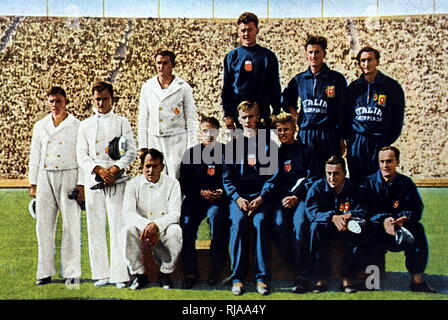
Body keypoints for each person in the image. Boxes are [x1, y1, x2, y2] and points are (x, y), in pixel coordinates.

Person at [77, 81, 136, 289]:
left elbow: (131, 151)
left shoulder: (122, 122)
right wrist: (99, 171)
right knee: (95, 226)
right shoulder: (85, 125)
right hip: (94, 178)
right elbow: (81, 154)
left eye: (104, 99)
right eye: (97, 99)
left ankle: (119, 274)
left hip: (116, 178)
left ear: (113, 99)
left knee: (118, 225)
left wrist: (115, 168)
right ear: (93, 100)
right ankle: (100, 273)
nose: (101, 103)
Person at [360, 146, 436, 293]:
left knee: (418, 229)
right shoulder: (368, 183)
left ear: (397, 162)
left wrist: (405, 218)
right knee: (366, 230)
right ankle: (371, 281)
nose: (385, 165)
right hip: (379, 230)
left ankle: (417, 281)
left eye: (389, 161)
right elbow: (364, 211)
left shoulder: (406, 183)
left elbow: (417, 209)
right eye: (381, 161)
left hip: (402, 229)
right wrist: (383, 220)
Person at [28, 86, 83, 286]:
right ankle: (44, 271)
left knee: (71, 224)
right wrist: (33, 182)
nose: (55, 105)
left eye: (58, 101)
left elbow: (82, 156)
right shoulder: (40, 125)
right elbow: (35, 154)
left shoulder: (77, 125)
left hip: (69, 174)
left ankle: (72, 271)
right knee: (43, 225)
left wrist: (81, 184)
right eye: (51, 101)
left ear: (66, 102)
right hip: (45, 176)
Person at [222, 101, 278, 296]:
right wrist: (237, 198)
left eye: (252, 116)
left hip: (260, 199)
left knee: (261, 222)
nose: (248, 121)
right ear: (238, 120)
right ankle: (237, 278)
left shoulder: (268, 145)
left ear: (258, 118)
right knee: (237, 223)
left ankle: (261, 278)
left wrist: (261, 198)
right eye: (244, 117)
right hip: (239, 199)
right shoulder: (231, 146)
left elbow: (272, 177)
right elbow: (227, 179)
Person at [281, 35, 348, 173]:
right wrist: (297, 117)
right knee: (306, 173)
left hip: (328, 134)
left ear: (324, 53)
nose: (313, 55)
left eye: (317, 52)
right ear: (306, 55)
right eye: (310, 52)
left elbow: (343, 110)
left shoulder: (336, 79)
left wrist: (342, 138)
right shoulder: (299, 79)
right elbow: (286, 100)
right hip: (306, 134)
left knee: (329, 173)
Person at [271, 113, 321, 293]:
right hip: (280, 200)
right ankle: (294, 267)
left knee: (300, 225)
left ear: (294, 130)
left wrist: (296, 196)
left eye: (286, 129)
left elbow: (312, 178)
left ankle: (303, 276)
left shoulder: (306, 150)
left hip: (300, 198)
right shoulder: (275, 152)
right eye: (279, 130)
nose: (283, 133)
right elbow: (272, 181)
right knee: (278, 225)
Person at [179, 117, 230, 289]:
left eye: (212, 131)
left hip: (217, 199)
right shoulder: (190, 154)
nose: (209, 135)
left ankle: (216, 267)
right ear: (200, 134)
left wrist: (221, 192)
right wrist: (200, 192)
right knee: (186, 224)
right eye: (205, 131)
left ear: (218, 133)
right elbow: (184, 183)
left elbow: (232, 178)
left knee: (217, 218)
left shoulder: (226, 152)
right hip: (196, 199)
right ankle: (190, 272)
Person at [121, 148, 182, 290]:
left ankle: (165, 272)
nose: (151, 171)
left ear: (162, 167)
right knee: (126, 231)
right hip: (141, 229)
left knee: (176, 231)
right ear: (142, 167)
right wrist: (147, 226)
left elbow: (175, 214)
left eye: (155, 166)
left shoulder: (172, 184)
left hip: (163, 228)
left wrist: (156, 226)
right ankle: (139, 274)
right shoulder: (132, 184)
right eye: (147, 166)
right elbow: (128, 213)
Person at [305, 155, 368, 293]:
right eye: (329, 173)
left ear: (345, 174)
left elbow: (363, 209)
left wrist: (350, 216)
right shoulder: (317, 186)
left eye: (336, 173)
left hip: (347, 225)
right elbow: (311, 211)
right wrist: (332, 217)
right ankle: (320, 277)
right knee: (314, 227)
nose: (332, 178)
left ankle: (347, 277)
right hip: (326, 225)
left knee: (359, 230)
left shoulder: (355, 188)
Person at [345, 47, 405, 183]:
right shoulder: (353, 88)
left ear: (377, 61)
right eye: (363, 61)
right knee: (358, 183)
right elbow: (345, 117)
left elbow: (397, 119)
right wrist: (350, 140)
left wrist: (386, 140)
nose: (366, 64)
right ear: (359, 64)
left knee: (379, 183)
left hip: (379, 142)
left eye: (370, 60)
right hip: (358, 143)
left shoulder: (392, 87)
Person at [137, 49, 198, 179]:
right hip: (154, 139)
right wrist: (142, 146)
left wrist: (192, 148)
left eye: (165, 63)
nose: (161, 67)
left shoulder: (183, 87)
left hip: (177, 140)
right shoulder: (148, 87)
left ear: (173, 65)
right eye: (158, 63)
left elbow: (191, 119)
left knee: (176, 177)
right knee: (156, 178)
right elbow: (143, 118)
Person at [221, 12, 281, 130]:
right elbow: (227, 87)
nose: (246, 34)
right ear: (238, 32)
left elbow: (274, 86)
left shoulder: (268, 56)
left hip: (262, 116)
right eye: (243, 30)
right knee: (239, 148)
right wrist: (227, 114)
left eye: (250, 30)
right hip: (239, 116)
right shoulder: (231, 56)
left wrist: (276, 111)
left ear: (257, 30)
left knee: (263, 148)